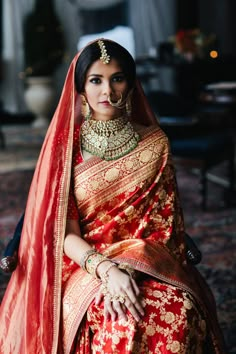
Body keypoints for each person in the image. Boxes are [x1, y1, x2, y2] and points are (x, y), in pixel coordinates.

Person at [0, 39, 226, 353]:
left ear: (131, 85)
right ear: (80, 88)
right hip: (83, 263)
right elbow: (63, 232)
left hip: (145, 262)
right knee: (119, 319)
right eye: (96, 80)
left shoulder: (155, 144)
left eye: (117, 78)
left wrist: (127, 270)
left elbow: (164, 227)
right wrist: (107, 271)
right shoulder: (65, 151)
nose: (108, 91)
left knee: (179, 309)